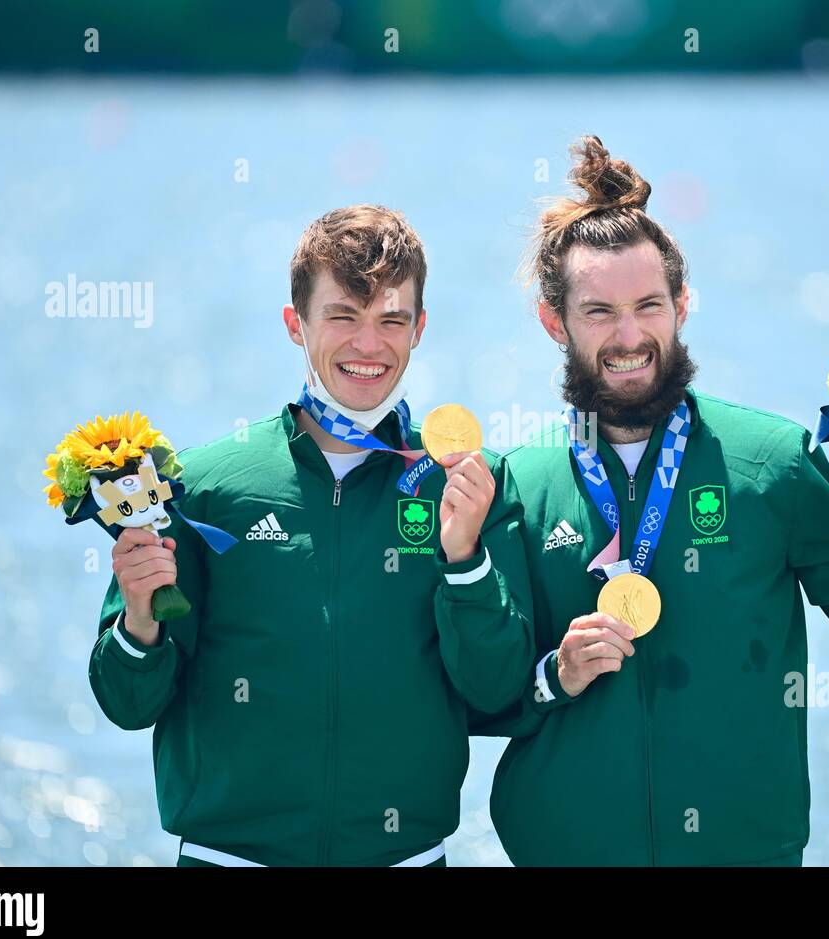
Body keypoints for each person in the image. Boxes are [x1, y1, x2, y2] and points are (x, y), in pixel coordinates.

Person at [439, 137, 829, 866]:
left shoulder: (772, 463)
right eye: (599, 312)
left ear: (682, 305)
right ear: (555, 323)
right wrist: (559, 671)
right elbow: (486, 697)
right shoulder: (516, 483)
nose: (628, 336)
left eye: (649, 305)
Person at [89, 205, 528, 866]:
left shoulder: (469, 483)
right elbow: (126, 702)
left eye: (390, 319)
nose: (368, 345)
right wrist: (141, 626)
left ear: (420, 328)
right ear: (296, 323)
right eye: (342, 316)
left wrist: (464, 561)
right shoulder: (202, 486)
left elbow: (496, 689)